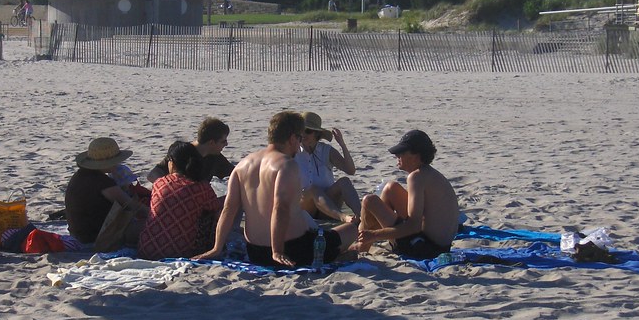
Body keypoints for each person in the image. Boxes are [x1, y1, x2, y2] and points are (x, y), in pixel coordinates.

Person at [194, 111, 358, 268]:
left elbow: (229, 209)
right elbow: (280, 208)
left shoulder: (243, 165)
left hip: (255, 250)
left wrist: (217, 248)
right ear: (293, 138)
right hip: (294, 248)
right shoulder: (286, 165)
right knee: (351, 229)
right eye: (299, 139)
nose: (299, 144)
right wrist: (277, 251)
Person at [352, 129, 460, 259]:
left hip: (425, 249)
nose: (397, 156)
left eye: (401, 153)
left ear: (415, 156)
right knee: (391, 188)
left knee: (369, 201)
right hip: (438, 245)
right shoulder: (429, 174)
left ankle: (361, 246)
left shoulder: (416, 177)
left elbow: (413, 226)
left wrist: (375, 235)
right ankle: (364, 238)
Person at [138, 142, 221, 259]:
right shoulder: (202, 187)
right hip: (181, 252)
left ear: (172, 164)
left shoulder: (159, 183)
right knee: (212, 214)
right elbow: (217, 209)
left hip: (146, 248)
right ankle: (213, 249)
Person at [65, 137, 147, 244]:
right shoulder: (103, 183)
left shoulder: (81, 175)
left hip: (78, 232)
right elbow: (132, 205)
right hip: (96, 236)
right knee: (151, 226)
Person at [295, 111, 360, 222]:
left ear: (316, 134)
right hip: (305, 207)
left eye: (308, 131)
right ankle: (344, 218)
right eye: (301, 131)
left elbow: (350, 170)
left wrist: (342, 144)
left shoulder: (326, 150)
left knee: (344, 181)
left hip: (329, 205)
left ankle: (363, 216)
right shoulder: (294, 151)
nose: (303, 135)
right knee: (313, 190)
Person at [148, 117, 234, 184]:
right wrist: (171, 187)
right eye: (223, 141)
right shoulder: (180, 152)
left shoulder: (215, 157)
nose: (226, 144)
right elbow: (152, 175)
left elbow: (235, 173)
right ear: (211, 142)